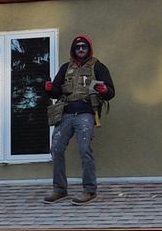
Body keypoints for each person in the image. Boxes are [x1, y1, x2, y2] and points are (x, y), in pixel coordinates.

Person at [43, 33, 116, 203]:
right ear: (73, 50)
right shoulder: (65, 68)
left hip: (86, 113)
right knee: (56, 148)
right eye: (78, 47)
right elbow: (56, 91)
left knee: (84, 149)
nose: (81, 49)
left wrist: (105, 91)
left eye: (84, 46)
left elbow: (111, 92)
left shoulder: (98, 67)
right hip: (66, 113)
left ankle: (89, 190)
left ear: (89, 49)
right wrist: (49, 89)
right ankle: (60, 189)